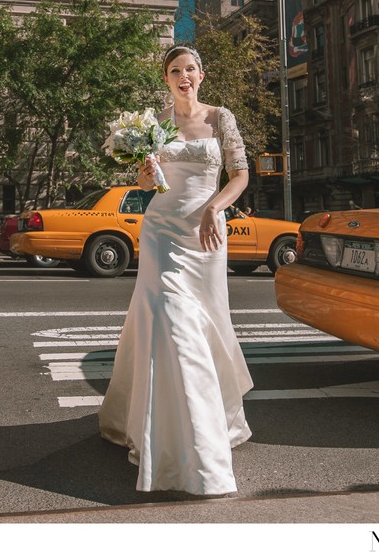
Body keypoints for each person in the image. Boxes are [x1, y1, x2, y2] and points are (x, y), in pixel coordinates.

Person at [98, 45, 253, 496]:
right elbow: (147, 184)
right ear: (166, 78)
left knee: (207, 324)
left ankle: (205, 420)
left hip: (206, 233)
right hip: (162, 230)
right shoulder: (157, 124)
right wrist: (145, 173)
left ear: (201, 74)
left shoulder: (220, 118)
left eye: (189, 69)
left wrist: (215, 208)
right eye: (174, 71)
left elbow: (240, 175)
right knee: (171, 319)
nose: (183, 76)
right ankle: (181, 444)